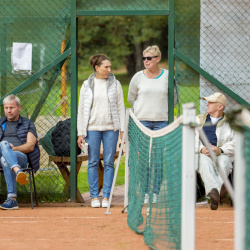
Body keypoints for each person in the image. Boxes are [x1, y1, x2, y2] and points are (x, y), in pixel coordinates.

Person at [127, 45, 177, 203]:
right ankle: (145, 192)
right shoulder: (138, 77)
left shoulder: (168, 76)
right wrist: (142, 110)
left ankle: (155, 192)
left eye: (149, 58)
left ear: (158, 59)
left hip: (162, 122)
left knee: (157, 157)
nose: (146, 61)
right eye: (144, 58)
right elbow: (131, 98)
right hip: (142, 122)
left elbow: (174, 99)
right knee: (143, 158)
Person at [77, 54, 125, 208]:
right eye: (106, 67)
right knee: (92, 161)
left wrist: (122, 130)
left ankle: (106, 196)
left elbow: (120, 107)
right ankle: (94, 197)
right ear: (97, 68)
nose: (109, 70)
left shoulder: (115, 84)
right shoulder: (86, 85)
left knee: (109, 162)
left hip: (111, 129)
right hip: (92, 129)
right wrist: (80, 132)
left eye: (110, 67)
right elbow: (81, 110)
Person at [195, 92, 235, 210]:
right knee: (204, 163)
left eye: (210, 102)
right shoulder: (198, 119)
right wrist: (201, 149)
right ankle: (218, 191)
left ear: (220, 106)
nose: (207, 104)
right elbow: (188, 137)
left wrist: (220, 150)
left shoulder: (231, 122)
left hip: (222, 154)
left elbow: (237, 142)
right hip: (202, 154)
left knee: (223, 162)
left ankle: (214, 193)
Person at [0, 95, 40, 210]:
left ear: (19, 108)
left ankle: (12, 199)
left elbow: (30, 146)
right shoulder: (0, 123)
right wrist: (5, 148)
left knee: (5, 155)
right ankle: (18, 172)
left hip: (21, 157)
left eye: (11, 107)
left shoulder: (28, 124)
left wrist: (12, 150)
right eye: (6, 108)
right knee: (3, 147)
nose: (8, 111)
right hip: (2, 156)